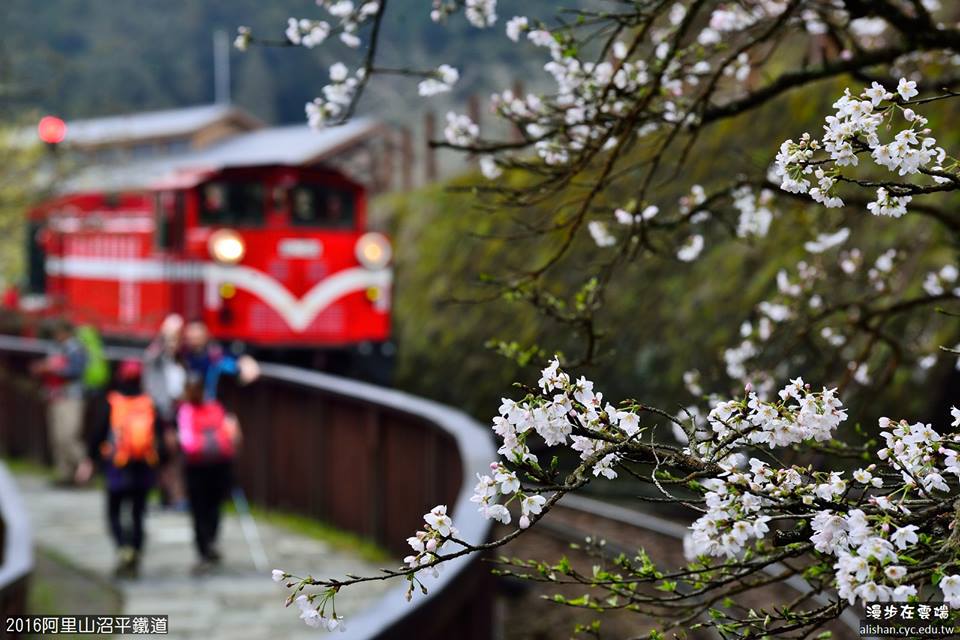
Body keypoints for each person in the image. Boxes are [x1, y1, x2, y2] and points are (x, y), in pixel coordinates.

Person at [75, 359, 166, 578]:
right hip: (144, 465)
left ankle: (122, 547)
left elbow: (98, 433)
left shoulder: (112, 402)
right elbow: (161, 437)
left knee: (114, 510)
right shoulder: (149, 403)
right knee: (138, 512)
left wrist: (89, 460)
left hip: (117, 465)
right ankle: (135, 548)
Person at [178, 372, 241, 574]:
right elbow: (231, 435)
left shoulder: (186, 411)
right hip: (219, 464)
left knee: (199, 509)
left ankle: (204, 549)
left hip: (196, 467)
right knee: (214, 505)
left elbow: (186, 442)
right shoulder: (217, 407)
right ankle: (211, 541)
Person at [31, 320, 88, 485]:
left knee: (68, 436)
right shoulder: (55, 348)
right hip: (54, 397)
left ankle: (84, 465)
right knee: (56, 438)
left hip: (71, 397)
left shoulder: (76, 349)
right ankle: (65, 474)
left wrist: (52, 369)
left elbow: (75, 372)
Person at [143, 314, 187, 508]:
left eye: (176, 338)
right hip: (161, 414)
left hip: (181, 414)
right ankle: (169, 496)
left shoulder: (182, 359)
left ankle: (175, 496)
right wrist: (164, 337)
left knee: (176, 457)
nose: (173, 343)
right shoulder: (156, 357)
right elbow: (151, 357)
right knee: (165, 456)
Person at [180, 320, 259, 402]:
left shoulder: (214, 355)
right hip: (186, 403)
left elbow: (232, 363)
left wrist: (244, 362)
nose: (194, 338)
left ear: (205, 335)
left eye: (197, 337)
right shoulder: (182, 354)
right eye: (191, 336)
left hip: (208, 403)